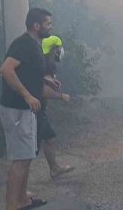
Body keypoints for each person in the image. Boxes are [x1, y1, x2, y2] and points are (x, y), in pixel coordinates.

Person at [0, 8, 52, 210]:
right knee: (20, 159)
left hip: (26, 111)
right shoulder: (23, 44)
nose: (51, 27)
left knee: (27, 156)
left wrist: (46, 81)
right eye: (48, 23)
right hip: (18, 109)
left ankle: (22, 199)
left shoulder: (33, 45)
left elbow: (28, 73)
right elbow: (6, 69)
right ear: (36, 25)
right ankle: (12, 205)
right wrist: (27, 95)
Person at [37, 35, 74, 178]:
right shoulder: (43, 63)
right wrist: (60, 96)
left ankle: (54, 169)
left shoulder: (45, 63)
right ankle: (19, 188)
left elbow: (44, 80)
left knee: (49, 138)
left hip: (39, 107)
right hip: (34, 108)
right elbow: (40, 88)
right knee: (29, 150)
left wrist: (51, 81)